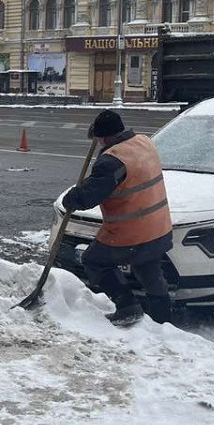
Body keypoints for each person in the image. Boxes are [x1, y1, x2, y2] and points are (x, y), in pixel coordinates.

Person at [61, 110, 173, 327]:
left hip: (131, 233)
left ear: (102, 137)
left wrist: (72, 198)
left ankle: (127, 306)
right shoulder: (143, 142)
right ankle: (163, 319)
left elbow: (88, 196)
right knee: (149, 269)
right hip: (158, 227)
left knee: (94, 261)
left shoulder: (112, 161)